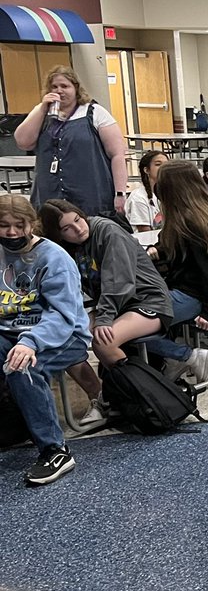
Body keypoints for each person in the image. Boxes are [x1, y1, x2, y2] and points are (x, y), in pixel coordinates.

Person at [38, 200, 175, 419]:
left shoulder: (107, 230)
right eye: (67, 228)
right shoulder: (64, 249)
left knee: (104, 341)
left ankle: (142, 398)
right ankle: (101, 397)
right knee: (66, 341)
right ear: (58, 234)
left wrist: (103, 318)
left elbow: (119, 283)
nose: (78, 228)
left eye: (77, 219)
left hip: (147, 301)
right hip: (112, 306)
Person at [0, 194, 91, 485]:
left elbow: (62, 316)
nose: (12, 232)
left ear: (32, 225)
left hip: (62, 334)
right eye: (3, 226)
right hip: (9, 331)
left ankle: (55, 450)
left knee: (21, 366)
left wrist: (30, 342)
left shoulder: (54, 257)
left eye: (19, 225)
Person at [141, 161, 208, 383]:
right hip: (181, 290)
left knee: (126, 331)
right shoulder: (185, 215)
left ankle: (185, 357)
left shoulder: (193, 222)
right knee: (130, 323)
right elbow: (172, 245)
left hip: (192, 296)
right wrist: (157, 250)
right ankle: (169, 364)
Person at [13, 66, 128, 217]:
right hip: (50, 194)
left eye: (65, 86)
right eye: (54, 87)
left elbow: (117, 154)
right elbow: (23, 142)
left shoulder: (95, 112)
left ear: (76, 88)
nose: (59, 90)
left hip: (90, 195)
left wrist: (120, 193)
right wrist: (41, 109)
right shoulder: (42, 113)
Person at [126, 151, 169, 232]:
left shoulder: (168, 194)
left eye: (166, 165)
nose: (163, 168)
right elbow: (145, 232)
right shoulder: (138, 197)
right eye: (158, 164)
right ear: (146, 170)